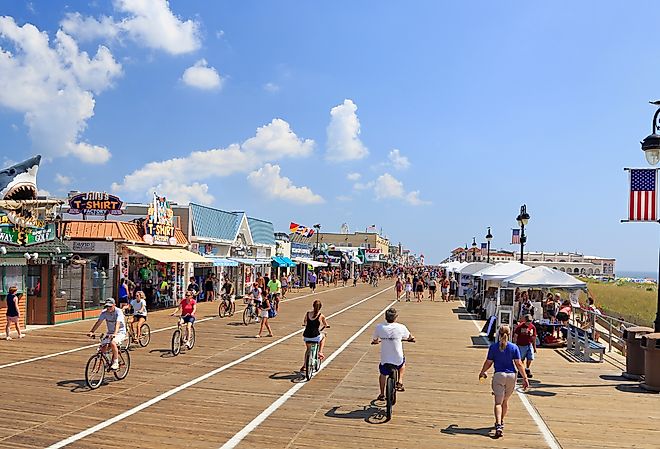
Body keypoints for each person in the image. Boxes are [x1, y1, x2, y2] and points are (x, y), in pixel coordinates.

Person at [479, 325, 529, 438]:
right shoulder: (514, 347)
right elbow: (519, 364)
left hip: (499, 375)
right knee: (505, 401)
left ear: (498, 333)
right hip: (511, 376)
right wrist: (525, 378)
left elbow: (489, 362)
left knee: (498, 403)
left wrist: (482, 372)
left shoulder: (493, 347)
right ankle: (501, 421)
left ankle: (498, 425)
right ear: (509, 334)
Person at [371, 308, 415, 401]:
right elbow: (409, 336)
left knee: (383, 374)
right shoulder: (401, 327)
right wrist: (411, 339)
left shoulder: (379, 327)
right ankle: (400, 381)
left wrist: (376, 341)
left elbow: (375, 339)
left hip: (385, 358)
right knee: (402, 364)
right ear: (396, 317)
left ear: (385, 317)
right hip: (397, 358)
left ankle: (382, 394)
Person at [87, 298, 127, 370]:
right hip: (110, 332)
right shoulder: (104, 312)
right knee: (103, 347)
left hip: (120, 332)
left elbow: (117, 324)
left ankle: (115, 362)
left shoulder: (119, 312)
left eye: (110, 306)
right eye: (107, 306)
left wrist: (115, 334)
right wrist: (92, 331)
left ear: (114, 305)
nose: (108, 308)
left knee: (112, 343)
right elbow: (98, 322)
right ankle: (108, 361)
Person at [301, 299, 329, 372]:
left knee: (308, 350)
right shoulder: (321, 315)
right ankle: (320, 352)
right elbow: (325, 324)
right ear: (320, 307)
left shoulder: (308, 314)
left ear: (313, 306)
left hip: (306, 336)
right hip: (315, 336)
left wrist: (306, 324)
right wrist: (326, 325)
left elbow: (305, 322)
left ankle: (304, 365)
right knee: (324, 335)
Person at [513, 314, 537, 379]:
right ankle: (521, 371)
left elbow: (534, 337)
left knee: (530, 357)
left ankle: (527, 369)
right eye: (528, 321)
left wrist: (534, 347)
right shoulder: (520, 326)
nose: (529, 322)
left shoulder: (532, 327)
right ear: (525, 320)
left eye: (530, 321)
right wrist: (515, 345)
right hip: (521, 345)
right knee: (521, 359)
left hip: (529, 344)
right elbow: (515, 336)